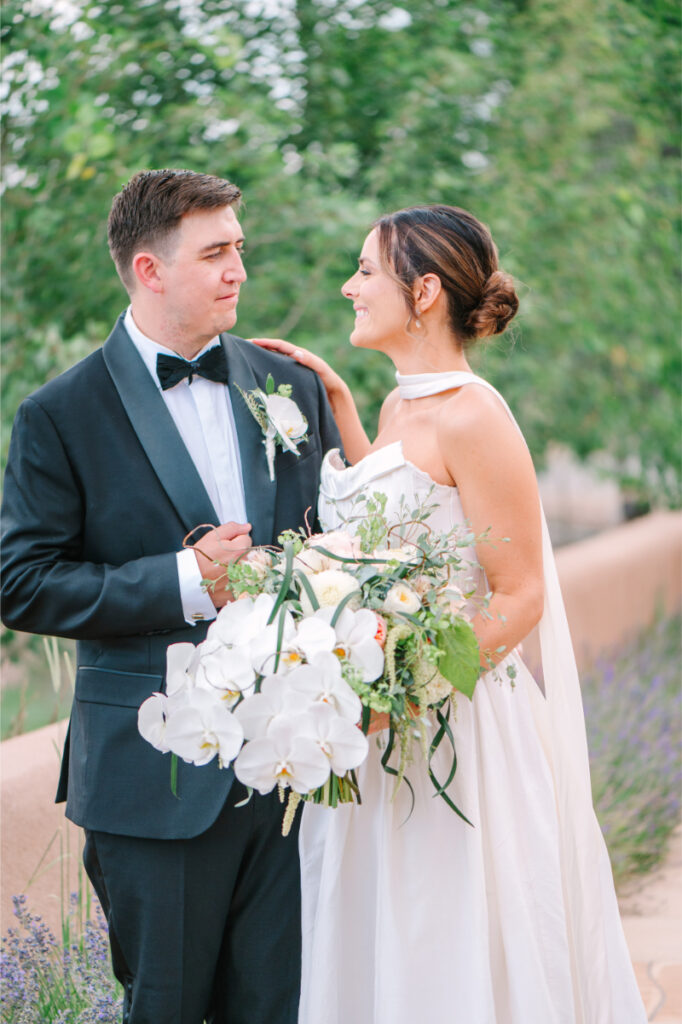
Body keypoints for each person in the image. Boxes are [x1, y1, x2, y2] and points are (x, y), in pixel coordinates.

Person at [253, 204, 647, 1023]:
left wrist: (409, 690)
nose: (348, 286)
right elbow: (405, 522)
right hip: (375, 734)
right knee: (386, 942)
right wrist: (341, 406)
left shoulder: (475, 413)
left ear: (423, 290)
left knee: (444, 937)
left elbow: (521, 595)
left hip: (454, 733)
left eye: (366, 271)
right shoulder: (403, 407)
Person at [0, 169, 341, 1024]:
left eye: (240, 249)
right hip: (153, 781)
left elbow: (333, 545)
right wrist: (187, 582)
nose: (240, 271)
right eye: (217, 252)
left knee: (283, 1008)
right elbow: (22, 582)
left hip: (291, 772)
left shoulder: (287, 388)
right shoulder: (61, 413)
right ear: (150, 271)